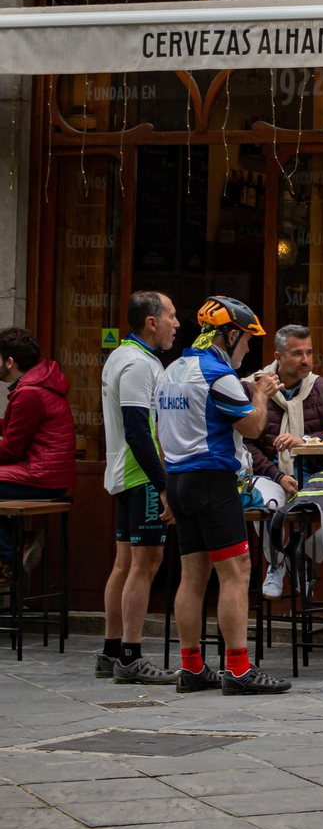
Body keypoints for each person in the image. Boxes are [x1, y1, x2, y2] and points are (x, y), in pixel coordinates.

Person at [156, 297, 290, 695]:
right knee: (237, 573)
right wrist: (262, 395)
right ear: (230, 334)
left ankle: (192, 667)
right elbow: (251, 429)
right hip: (213, 481)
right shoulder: (218, 373)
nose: (248, 349)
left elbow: (160, 431)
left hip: (178, 479)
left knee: (192, 576)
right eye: (247, 340)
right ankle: (238, 668)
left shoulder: (172, 370)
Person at [98, 292, 181, 685]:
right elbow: (137, 429)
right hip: (140, 475)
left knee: (124, 564)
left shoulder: (125, 355)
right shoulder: (136, 363)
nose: (177, 324)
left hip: (126, 474)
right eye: (171, 316)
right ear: (151, 322)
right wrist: (162, 484)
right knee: (145, 565)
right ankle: (131, 657)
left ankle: (111, 651)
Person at [248, 325, 323, 599]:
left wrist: (305, 441)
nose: (306, 360)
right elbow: (244, 444)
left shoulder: (319, 386)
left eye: (309, 353)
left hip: (313, 475)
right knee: (267, 505)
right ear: (278, 357)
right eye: (297, 354)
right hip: (270, 475)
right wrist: (277, 475)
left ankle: (303, 557)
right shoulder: (253, 387)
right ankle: (276, 564)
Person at [0, 328, 76, 594]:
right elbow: (18, 428)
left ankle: (7, 557)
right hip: (45, 474)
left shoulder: (29, 393)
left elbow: (10, 450)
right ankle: (19, 541)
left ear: (9, 361)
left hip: (42, 477)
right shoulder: (37, 384)